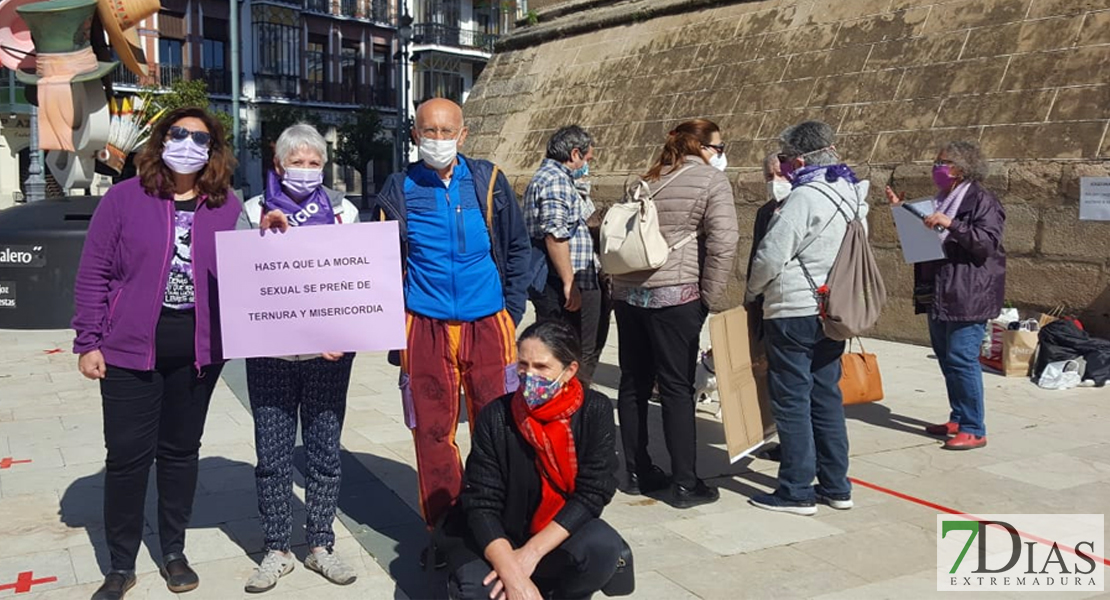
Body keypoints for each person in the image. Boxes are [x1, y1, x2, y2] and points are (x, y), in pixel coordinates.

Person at [72, 107, 241, 600]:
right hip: (127, 350)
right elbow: (94, 273)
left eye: (200, 137)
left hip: (198, 353)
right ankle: (120, 564)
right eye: (178, 133)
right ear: (161, 138)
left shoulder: (227, 207)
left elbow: (252, 274)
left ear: (214, 150)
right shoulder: (125, 199)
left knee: (180, 454)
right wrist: (87, 341)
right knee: (126, 458)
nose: (188, 143)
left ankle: (173, 551)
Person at [373, 98, 531, 563]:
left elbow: (518, 247)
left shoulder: (489, 181)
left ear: (463, 136)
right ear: (414, 136)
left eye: (446, 132)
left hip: (489, 323)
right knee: (432, 431)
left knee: (498, 424)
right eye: (428, 132)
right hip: (425, 325)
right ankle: (445, 529)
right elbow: (379, 262)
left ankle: (498, 521)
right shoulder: (397, 188)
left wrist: (512, 311)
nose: (437, 140)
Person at [237, 124, 362, 592]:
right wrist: (261, 242)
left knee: (325, 453)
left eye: (314, 163)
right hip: (270, 357)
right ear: (278, 164)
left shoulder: (344, 211)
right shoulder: (252, 212)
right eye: (297, 162)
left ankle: (320, 544)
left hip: (327, 356)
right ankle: (275, 547)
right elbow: (238, 282)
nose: (306, 171)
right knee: (272, 455)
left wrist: (345, 330)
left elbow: (356, 281)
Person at [441, 320, 623, 600]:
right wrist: (512, 573)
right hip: (496, 535)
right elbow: (480, 502)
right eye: (523, 366)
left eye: (541, 367)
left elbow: (594, 491)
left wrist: (530, 554)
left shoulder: (593, 410)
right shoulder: (497, 416)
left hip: (554, 531)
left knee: (603, 547)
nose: (529, 376)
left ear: (569, 370)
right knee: (479, 592)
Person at [745, 120, 870, 516]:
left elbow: (771, 254)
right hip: (832, 309)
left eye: (785, 159)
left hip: (794, 309)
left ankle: (796, 489)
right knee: (826, 398)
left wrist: (752, 291)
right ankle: (836, 485)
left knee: (792, 400)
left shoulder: (804, 197)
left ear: (799, 158)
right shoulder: (850, 193)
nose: (783, 167)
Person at [613, 119, 739, 509]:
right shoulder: (711, 182)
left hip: (629, 294)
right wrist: (708, 298)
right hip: (676, 296)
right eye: (718, 147)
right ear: (702, 147)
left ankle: (636, 472)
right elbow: (724, 241)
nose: (720, 154)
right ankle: (685, 483)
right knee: (676, 389)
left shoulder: (644, 178)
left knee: (633, 382)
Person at [886, 141, 1005, 451]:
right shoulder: (941, 199)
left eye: (942, 162)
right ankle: (959, 416)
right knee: (947, 358)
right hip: (940, 290)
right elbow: (928, 235)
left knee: (963, 358)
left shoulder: (982, 200)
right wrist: (903, 210)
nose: (936, 168)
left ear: (961, 169)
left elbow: (986, 243)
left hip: (969, 292)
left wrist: (952, 223)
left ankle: (973, 427)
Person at [523, 125, 603, 386]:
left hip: (565, 279)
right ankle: (569, 408)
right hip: (562, 282)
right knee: (566, 350)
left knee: (566, 347)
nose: (587, 165)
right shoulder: (555, 181)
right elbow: (555, 235)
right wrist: (570, 283)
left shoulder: (558, 179)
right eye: (587, 159)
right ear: (575, 153)